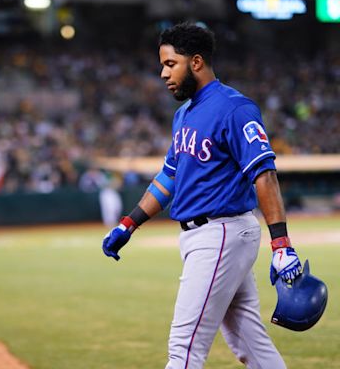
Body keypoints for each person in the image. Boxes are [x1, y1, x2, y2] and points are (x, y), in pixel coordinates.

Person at [102, 22, 302, 369]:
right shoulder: (183, 114)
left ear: (196, 62)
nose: (162, 73)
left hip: (221, 233)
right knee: (247, 343)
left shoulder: (234, 108)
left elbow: (264, 173)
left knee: (184, 348)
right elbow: (170, 177)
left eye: (170, 64)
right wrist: (128, 223)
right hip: (207, 236)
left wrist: (281, 243)